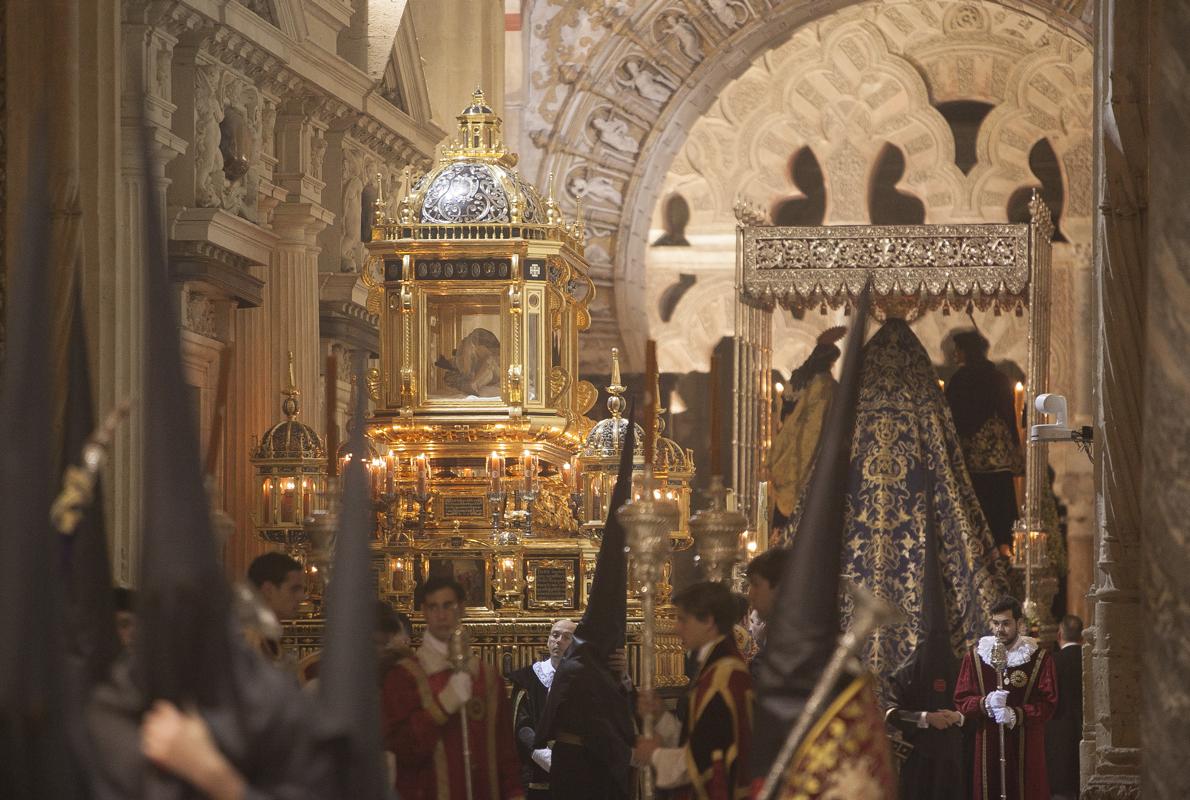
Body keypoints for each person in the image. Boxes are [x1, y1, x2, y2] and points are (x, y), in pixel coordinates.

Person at [381, 576, 523, 800]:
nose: (441, 615)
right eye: (433, 607)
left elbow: (504, 750)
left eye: (448, 605)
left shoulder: (486, 675)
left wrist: (515, 793)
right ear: (424, 612)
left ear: (462, 609)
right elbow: (402, 749)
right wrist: (442, 706)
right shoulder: (405, 674)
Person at [633, 582, 753, 799]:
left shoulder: (723, 678)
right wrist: (661, 717)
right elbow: (700, 739)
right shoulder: (714, 668)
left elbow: (706, 763)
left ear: (708, 621)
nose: (676, 628)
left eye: (682, 619)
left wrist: (655, 755)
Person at [953, 596, 1057, 800]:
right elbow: (961, 700)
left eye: (1006, 623)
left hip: (1026, 746)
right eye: (996, 623)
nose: (1000, 629)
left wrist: (1016, 714)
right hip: (987, 746)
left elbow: (1048, 704)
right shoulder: (975, 657)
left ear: (1019, 623)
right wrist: (984, 703)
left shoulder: (1039, 658)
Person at [944, 329, 1025, 556]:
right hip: (998, 459)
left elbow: (950, 417)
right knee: (999, 508)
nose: (953, 355)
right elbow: (1010, 418)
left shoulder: (960, 381)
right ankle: (1003, 549)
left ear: (965, 351)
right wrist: (1015, 453)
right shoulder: (999, 379)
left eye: (957, 350)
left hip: (971, 460)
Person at [766, 328, 844, 536]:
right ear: (829, 362)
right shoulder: (826, 386)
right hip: (814, 452)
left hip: (789, 445)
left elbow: (785, 415)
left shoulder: (797, 379)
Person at [508, 619, 577, 799]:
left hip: (574, 768)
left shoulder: (584, 680)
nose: (558, 641)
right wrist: (543, 755)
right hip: (536, 768)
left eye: (567, 637)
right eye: (555, 635)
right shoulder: (528, 679)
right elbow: (521, 724)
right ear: (548, 640)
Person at [1046, 614, 1084, 800]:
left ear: (1059, 635)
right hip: (1089, 731)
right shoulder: (1091, 659)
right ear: (1082, 637)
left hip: (1058, 732)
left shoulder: (1051, 662)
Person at [743, 547, 790, 671]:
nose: (751, 595)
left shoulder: (796, 643)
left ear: (780, 587)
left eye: (756, 585)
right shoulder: (774, 632)